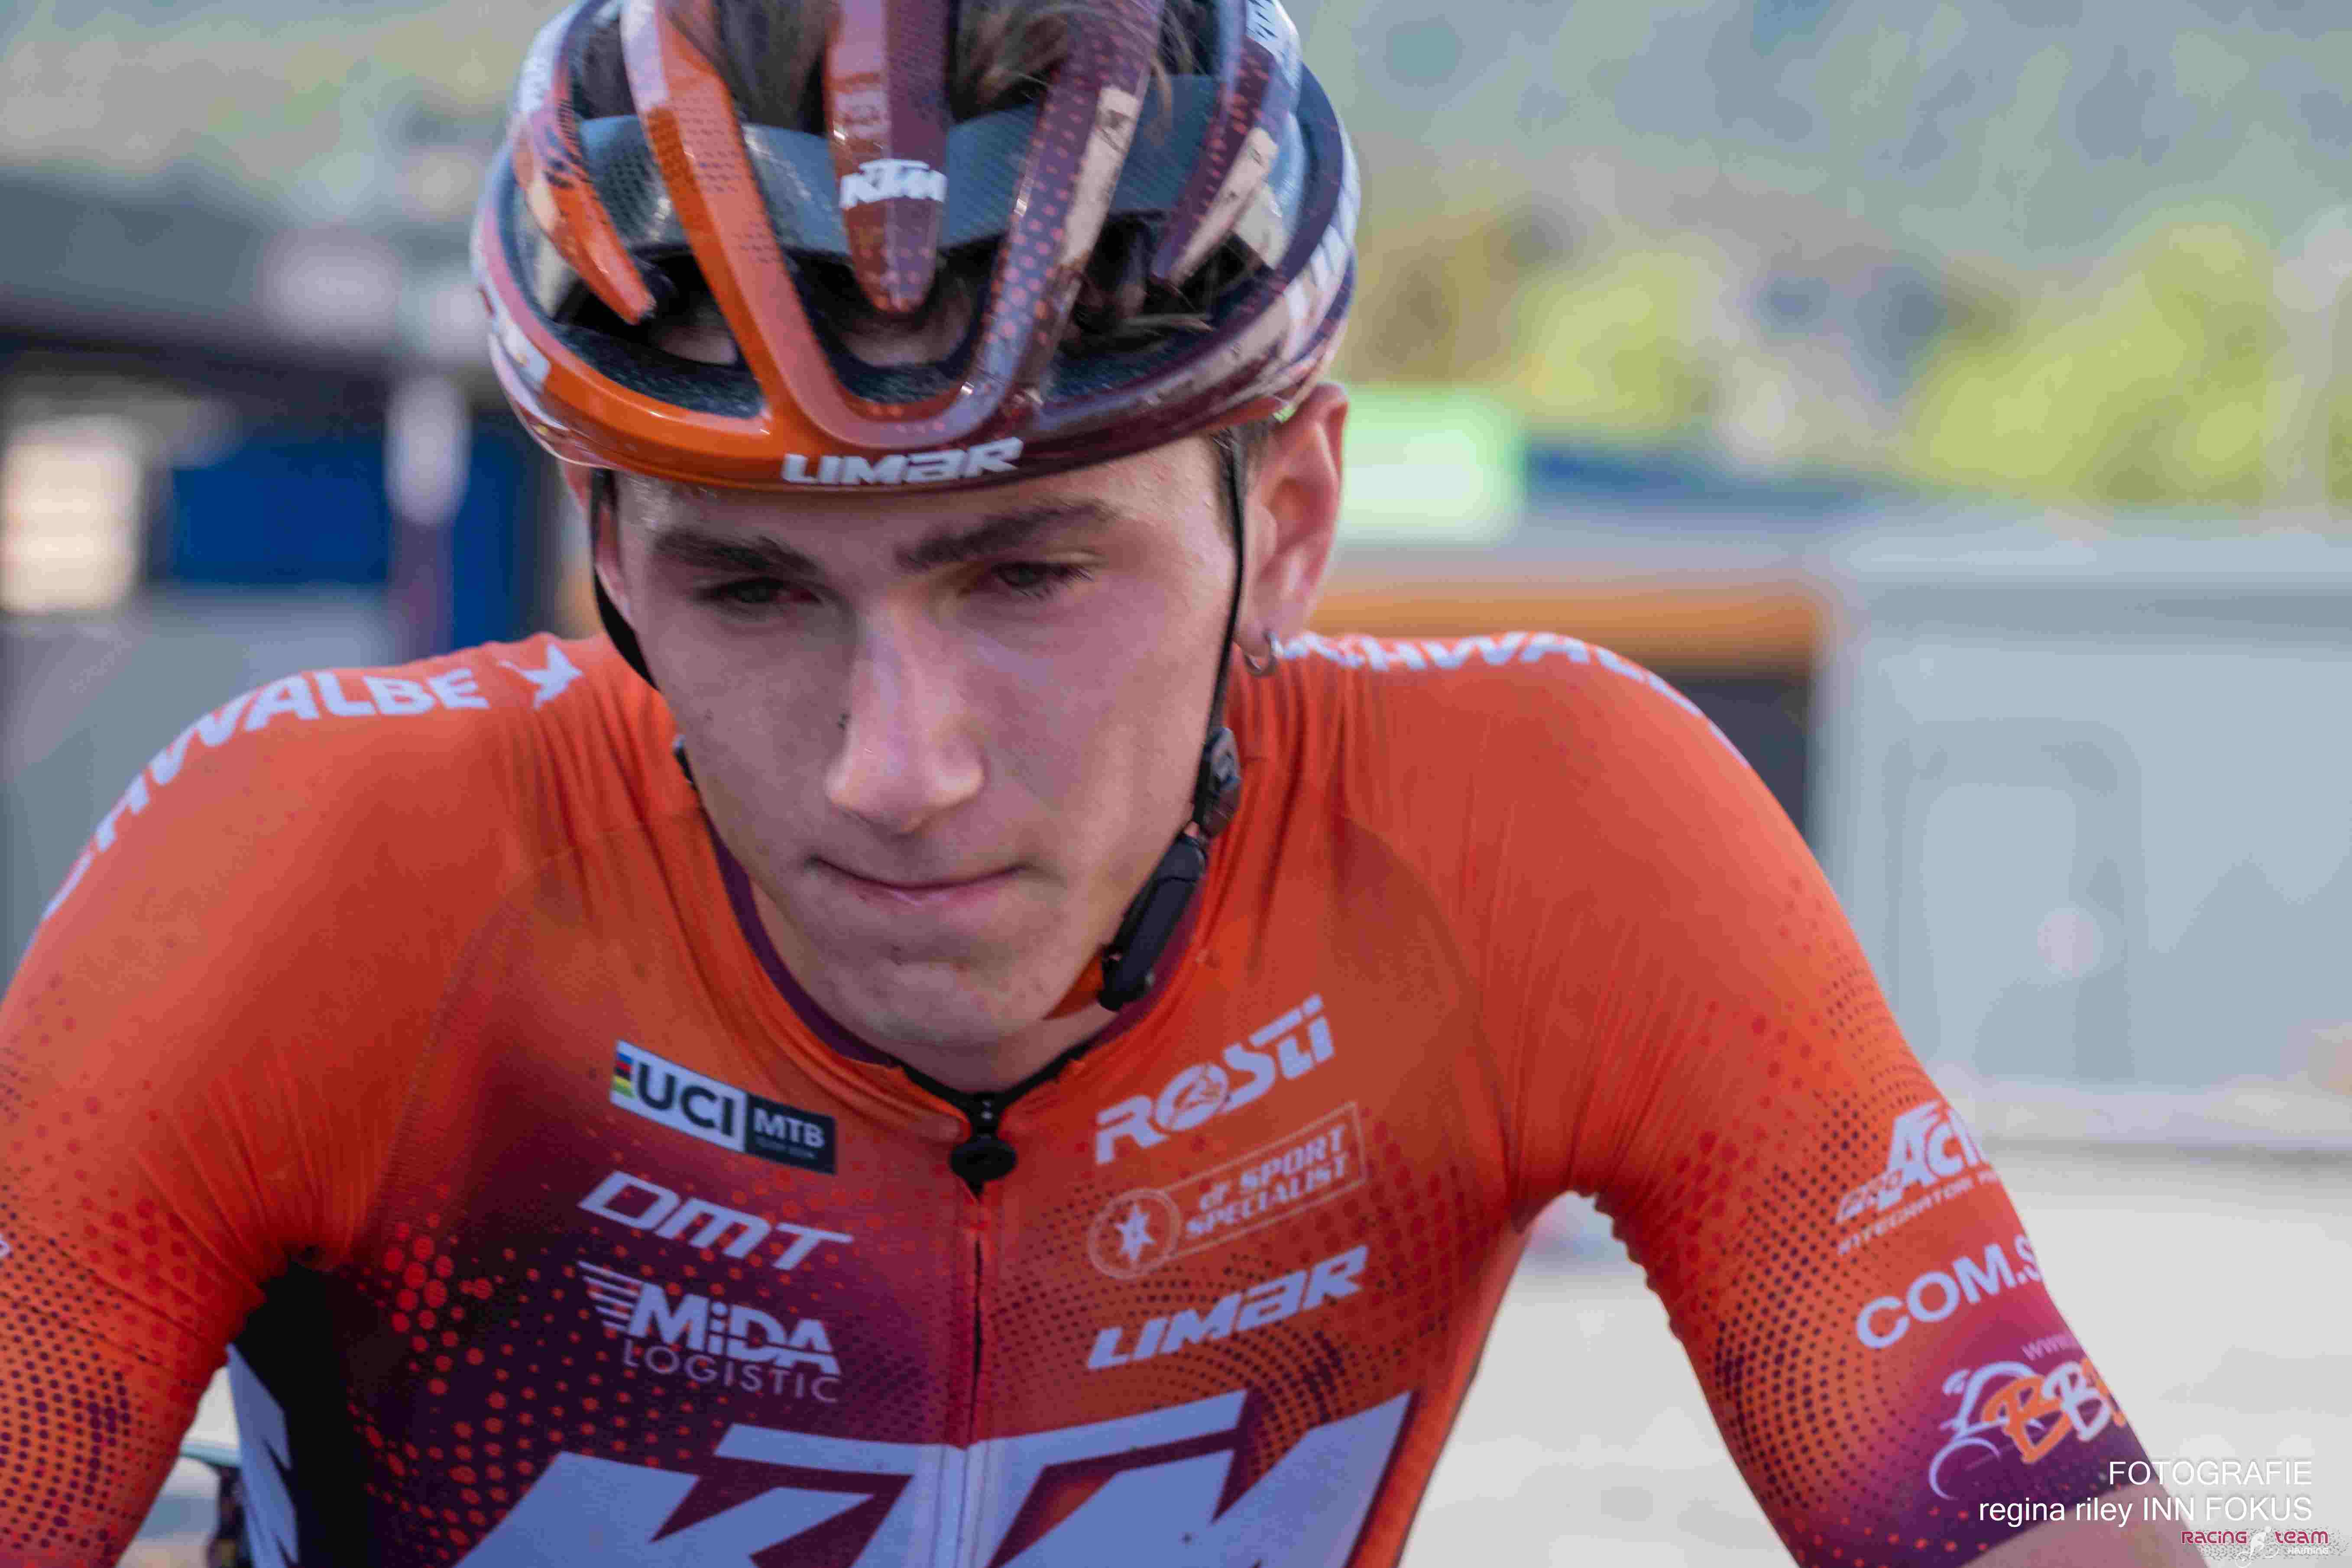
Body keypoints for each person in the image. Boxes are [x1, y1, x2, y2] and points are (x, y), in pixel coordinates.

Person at [0, 2, 2201, 1565]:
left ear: (1291, 519)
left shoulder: (1553, 836)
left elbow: (2033, 1522)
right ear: (606, 559)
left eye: (1030, 572)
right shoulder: (318, 876)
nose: (899, 766)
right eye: (754, 589)